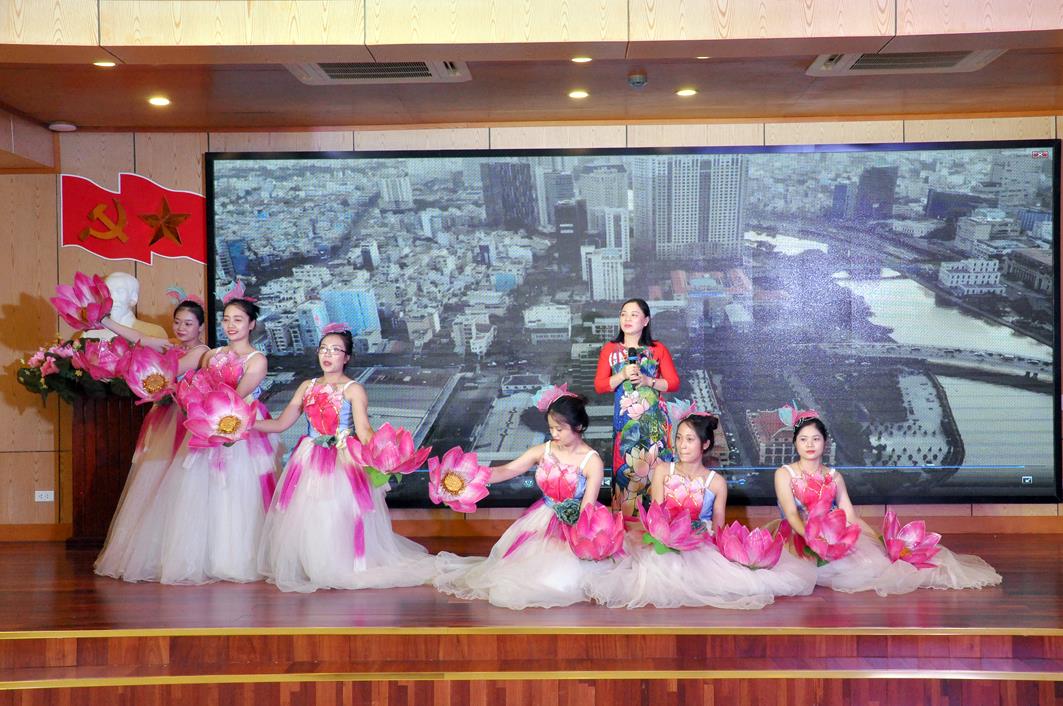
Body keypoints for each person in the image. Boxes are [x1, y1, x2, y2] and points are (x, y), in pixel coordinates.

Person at [255, 325, 437, 592]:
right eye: (323, 349)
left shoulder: (353, 389)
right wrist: (245, 424)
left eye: (335, 350)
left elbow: (364, 432)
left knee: (338, 512)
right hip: (309, 456)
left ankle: (338, 565)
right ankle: (314, 565)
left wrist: (387, 454)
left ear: (347, 357)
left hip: (343, 458)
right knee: (309, 513)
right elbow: (281, 423)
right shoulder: (307, 386)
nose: (328, 355)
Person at [587, 412, 816, 609]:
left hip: (700, 544)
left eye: (689, 440)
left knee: (720, 584)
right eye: (679, 438)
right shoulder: (664, 471)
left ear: (705, 444)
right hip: (665, 538)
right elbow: (657, 513)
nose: (682, 445)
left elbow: (718, 526)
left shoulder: (716, 483)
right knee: (655, 577)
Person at [121, 296, 276, 584]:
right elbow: (190, 380)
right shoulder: (211, 355)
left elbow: (237, 397)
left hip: (237, 429)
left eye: (238, 320)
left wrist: (207, 410)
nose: (231, 325)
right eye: (226, 319)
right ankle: (200, 556)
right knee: (198, 493)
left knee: (235, 493)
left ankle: (233, 558)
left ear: (252, 324)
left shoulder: (257, 359)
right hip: (206, 427)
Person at [775, 411, 1001, 595]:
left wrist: (876, 542)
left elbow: (849, 515)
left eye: (816, 439)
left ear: (825, 442)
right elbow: (791, 514)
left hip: (833, 537)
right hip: (797, 535)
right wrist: (812, 539)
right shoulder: (784, 474)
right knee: (794, 576)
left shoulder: (834, 476)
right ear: (795, 442)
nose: (810, 444)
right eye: (803, 439)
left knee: (873, 565)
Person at [434, 388, 609, 609]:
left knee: (560, 581)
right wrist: (469, 478)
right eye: (551, 428)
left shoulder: (592, 461)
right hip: (542, 517)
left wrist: (579, 535)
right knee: (513, 575)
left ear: (579, 426)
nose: (554, 434)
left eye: (560, 429)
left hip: (574, 523)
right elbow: (507, 470)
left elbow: (587, 507)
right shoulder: (543, 450)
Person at [94, 295, 209, 579]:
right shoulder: (171, 344)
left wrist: (133, 365)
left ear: (201, 327)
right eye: (178, 322)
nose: (181, 328)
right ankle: (151, 552)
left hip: (185, 420)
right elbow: (138, 338)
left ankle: (179, 553)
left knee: (179, 482)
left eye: (188, 323)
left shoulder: (201, 352)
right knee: (154, 481)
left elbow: (169, 372)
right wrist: (104, 320)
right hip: (164, 417)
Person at [594, 298, 680, 516]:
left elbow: (673, 383)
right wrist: (622, 375)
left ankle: (658, 521)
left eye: (634, 314)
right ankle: (625, 523)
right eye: (623, 314)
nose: (627, 318)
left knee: (656, 472)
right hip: (625, 424)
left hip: (654, 425)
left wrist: (648, 381)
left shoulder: (658, 349)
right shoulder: (610, 350)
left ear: (646, 320)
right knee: (626, 475)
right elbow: (600, 386)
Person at [83, 272, 167, 341]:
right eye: (108, 291)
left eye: (120, 291)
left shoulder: (154, 333)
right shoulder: (89, 335)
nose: (112, 297)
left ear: (134, 298)